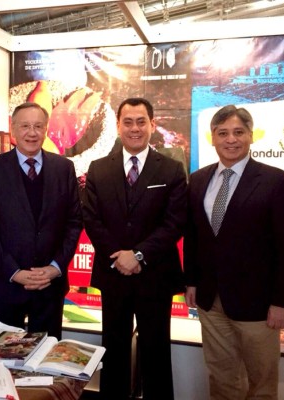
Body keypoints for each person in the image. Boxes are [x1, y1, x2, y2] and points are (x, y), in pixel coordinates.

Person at [183, 105, 284, 400]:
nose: (230, 139)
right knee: (222, 379)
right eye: (222, 133)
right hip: (212, 303)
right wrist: (192, 282)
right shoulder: (198, 180)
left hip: (259, 307)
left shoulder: (276, 182)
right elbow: (194, 237)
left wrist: (283, 302)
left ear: (251, 136)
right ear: (212, 138)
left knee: (261, 384)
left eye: (238, 132)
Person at [82, 97, 187, 400]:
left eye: (141, 121)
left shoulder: (171, 169)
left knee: (155, 351)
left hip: (155, 275)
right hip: (113, 273)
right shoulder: (99, 168)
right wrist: (120, 257)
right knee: (113, 349)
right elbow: (92, 218)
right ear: (118, 126)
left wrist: (139, 255)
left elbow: (174, 222)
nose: (135, 128)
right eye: (127, 122)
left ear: (153, 125)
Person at [0, 102, 82, 339]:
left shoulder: (64, 168)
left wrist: (55, 268)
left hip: (49, 286)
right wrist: (15, 272)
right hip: (5, 283)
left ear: (45, 130)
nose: (31, 133)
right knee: (3, 358)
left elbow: (73, 223)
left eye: (38, 126)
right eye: (25, 126)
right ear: (13, 130)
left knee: (46, 360)